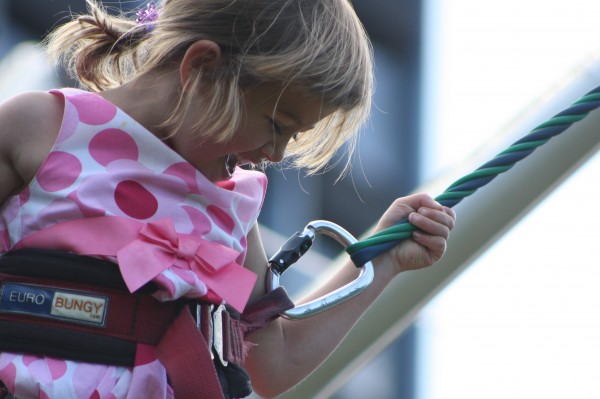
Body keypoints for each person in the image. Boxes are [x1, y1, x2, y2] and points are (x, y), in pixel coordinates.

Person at [0, 0, 456, 398]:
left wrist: (379, 260)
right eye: (276, 125)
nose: (275, 155)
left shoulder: (231, 209)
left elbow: (274, 363)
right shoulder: (43, 129)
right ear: (201, 66)